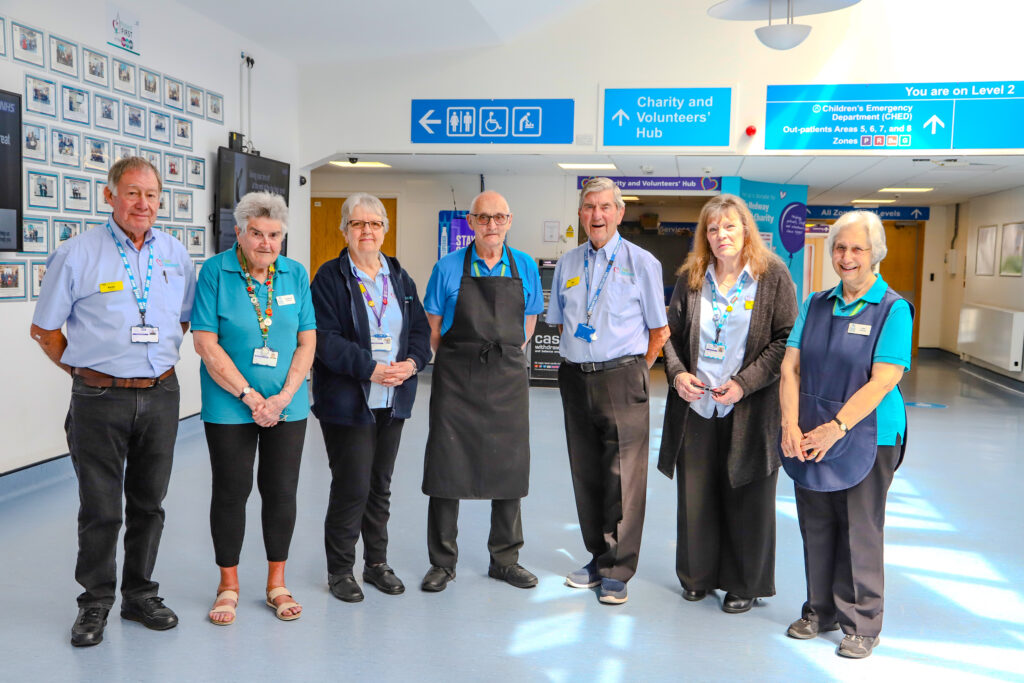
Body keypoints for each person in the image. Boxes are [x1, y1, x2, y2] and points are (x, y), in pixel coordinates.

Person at [30, 157, 196, 647]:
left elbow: (182, 320)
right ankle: (95, 603)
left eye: (151, 194)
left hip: (162, 394)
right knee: (100, 507)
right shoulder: (77, 254)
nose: (142, 203)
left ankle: (140, 594)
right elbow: (44, 330)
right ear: (110, 196)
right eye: (132, 193)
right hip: (98, 398)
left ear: (160, 200)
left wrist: (149, 362)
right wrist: (87, 371)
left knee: (150, 503)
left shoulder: (174, 253)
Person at [779, 210, 913, 659]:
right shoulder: (815, 303)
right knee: (816, 525)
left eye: (857, 248)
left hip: (867, 435)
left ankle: (862, 623)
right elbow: (790, 367)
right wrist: (789, 425)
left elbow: (884, 379)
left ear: (875, 254)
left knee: (860, 528)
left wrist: (836, 428)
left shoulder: (892, 309)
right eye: (840, 248)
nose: (847, 256)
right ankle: (820, 610)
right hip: (811, 432)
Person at [657, 194, 797, 614]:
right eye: (713, 229)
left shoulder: (772, 276)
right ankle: (697, 576)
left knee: (748, 495)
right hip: (698, 404)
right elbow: (669, 336)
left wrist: (744, 383)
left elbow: (785, 339)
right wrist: (678, 374)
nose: (721, 236)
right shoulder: (693, 276)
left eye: (729, 227)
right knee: (696, 495)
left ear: (746, 230)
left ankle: (744, 583)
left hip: (749, 406)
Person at [191, 192, 316, 625]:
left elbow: (307, 340)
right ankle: (228, 585)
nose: (266, 243)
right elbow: (205, 342)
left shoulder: (295, 274)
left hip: (288, 404)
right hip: (229, 405)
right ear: (239, 233)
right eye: (257, 234)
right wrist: (248, 396)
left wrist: (283, 397)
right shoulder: (215, 272)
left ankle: (277, 583)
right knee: (231, 491)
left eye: (275, 235)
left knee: (281, 492)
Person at [547, 177, 670, 605]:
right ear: (580, 214)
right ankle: (597, 558)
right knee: (587, 472)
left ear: (619, 213)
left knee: (623, 475)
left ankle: (618, 568)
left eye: (604, 207)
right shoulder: (567, 263)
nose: (596, 215)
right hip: (575, 376)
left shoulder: (642, 263)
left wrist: (634, 369)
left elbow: (660, 330)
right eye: (588, 207)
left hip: (623, 377)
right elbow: (562, 322)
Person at [420, 190, 544, 592]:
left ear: (510, 221)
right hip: (456, 378)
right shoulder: (447, 267)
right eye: (484, 217)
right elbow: (434, 327)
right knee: (446, 464)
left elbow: (528, 324)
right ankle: (442, 562)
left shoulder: (523, 265)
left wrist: (506, 356)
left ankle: (505, 559)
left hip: (507, 377)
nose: (492, 225)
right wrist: (462, 358)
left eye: (499, 217)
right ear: (470, 223)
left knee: (509, 466)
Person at [311, 193, 431, 603]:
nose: (367, 231)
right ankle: (340, 569)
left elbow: (418, 331)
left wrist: (413, 363)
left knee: (380, 486)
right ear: (344, 230)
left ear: (384, 230)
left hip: (393, 398)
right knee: (352, 485)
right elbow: (324, 340)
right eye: (358, 224)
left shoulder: (398, 276)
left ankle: (376, 563)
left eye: (374, 224)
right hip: (350, 400)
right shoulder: (330, 278)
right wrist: (371, 368)